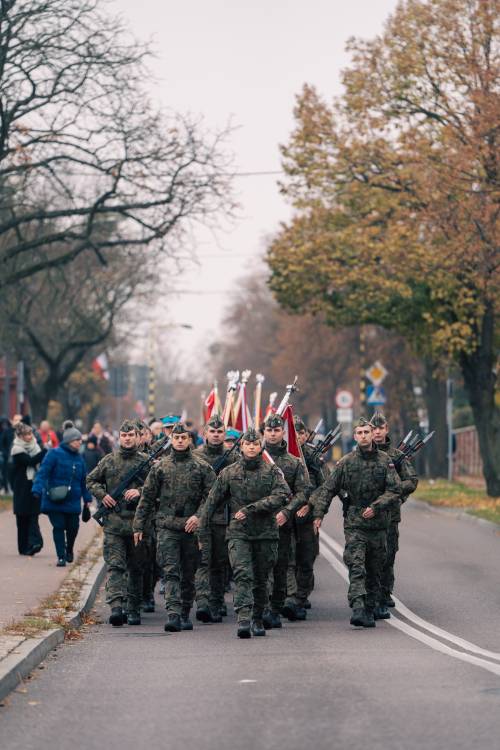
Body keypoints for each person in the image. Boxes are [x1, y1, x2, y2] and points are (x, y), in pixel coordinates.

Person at [199, 427, 290, 638]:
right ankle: (243, 618)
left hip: (265, 533)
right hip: (238, 534)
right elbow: (211, 503)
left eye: (255, 444)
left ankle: (258, 617)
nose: (251, 447)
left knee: (261, 578)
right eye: (248, 444)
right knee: (242, 575)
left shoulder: (271, 472)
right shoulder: (229, 473)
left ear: (261, 447)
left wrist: (252, 508)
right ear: (242, 447)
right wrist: (201, 531)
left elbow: (283, 494)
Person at [311, 418, 401, 628]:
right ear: (354, 437)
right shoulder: (346, 462)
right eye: (359, 432)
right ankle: (358, 606)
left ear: (372, 435)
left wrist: (377, 506)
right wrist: (319, 514)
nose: (363, 436)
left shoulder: (385, 461)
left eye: (366, 432)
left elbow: (395, 489)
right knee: (356, 563)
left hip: (379, 524)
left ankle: (369, 608)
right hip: (355, 523)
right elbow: (328, 489)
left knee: (375, 568)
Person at [133, 422, 215, 633]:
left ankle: (186, 611)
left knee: (189, 572)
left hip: (191, 527)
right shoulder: (160, 467)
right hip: (167, 526)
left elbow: (212, 497)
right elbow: (147, 498)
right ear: (171, 440)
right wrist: (138, 525)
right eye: (176, 438)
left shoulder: (202, 467)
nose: (179, 441)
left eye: (183, 438)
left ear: (189, 440)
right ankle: (173, 614)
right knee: (171, 571)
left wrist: (199, 516)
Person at [86, 420, 150, 627]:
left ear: (137, 436)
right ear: (119, 438)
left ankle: (133, 608)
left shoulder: (146, 462)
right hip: (113, 524)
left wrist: (139, 492)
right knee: (115, 566)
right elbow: (91, 481)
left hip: (137, 525)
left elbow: (158, 489)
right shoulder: (109, 460)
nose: (128, 438)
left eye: (131, 435)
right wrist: (103, 496)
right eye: (124, 436)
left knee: (136, 568)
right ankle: (116, 607)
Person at [262, 414, 308, 629]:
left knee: (283, 566)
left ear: (283, 432)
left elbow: (302, 492)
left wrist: (287, 512)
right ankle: (262, 608)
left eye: (276, 430)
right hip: (258, 524)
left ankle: (279, 606)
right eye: (269, 430)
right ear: (264, 432)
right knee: (261, 568)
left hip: (283, 524)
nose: (272, 434)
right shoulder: (254, 459)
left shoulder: (294, 462)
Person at [370, 412, 418, 614]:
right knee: (367, 557)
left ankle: (384, 594)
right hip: (366, 514)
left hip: (389, 515)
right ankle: (369, 595)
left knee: (387, 555)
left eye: (381, 428)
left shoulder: (396, 456)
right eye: (374, 429)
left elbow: (411, 480)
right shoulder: (361, 454)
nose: (377, 432)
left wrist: (394, 491)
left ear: (386, 429)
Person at [283, 416, 329, 620]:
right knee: (287, 559)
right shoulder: (282, 457)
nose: (299, 437)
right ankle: (290, 598)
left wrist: (310, 504)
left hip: (307, 517)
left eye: (301, 433)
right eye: (295, 433)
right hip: (285, 516)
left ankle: (301, 597)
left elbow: (325, 487)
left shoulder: (314, 457)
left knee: (306, 558)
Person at [193, 414, 237, 621]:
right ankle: (203, 602)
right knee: (203, 561)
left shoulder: (233, 458)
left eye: (220, 432)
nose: (216, 435)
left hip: (223, 517)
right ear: (205, 434)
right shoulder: (195, 457)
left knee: (220, 563)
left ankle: (217, 602)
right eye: (213, 431)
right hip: (200, 517)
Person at [32, 420, 92, 567]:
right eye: (77, 440)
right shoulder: (54, 454)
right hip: (54, 498)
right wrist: (37, 489)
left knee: (73, 528)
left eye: (80, 440)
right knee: (58, 527)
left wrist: (87, 498)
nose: (80, 442)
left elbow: (84, 480)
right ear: (69, 440)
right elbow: (43, 472)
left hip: (73, 500)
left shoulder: (79, 458)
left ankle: (69, 549)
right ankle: (61, 556)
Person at [10, 422, 45, 555]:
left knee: (33, 515)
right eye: (27, 434)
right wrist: (44, 452)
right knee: (22, 518)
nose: (30, 436)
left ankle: (35, 543)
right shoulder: (17, 450)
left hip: (33, 485)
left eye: (31, 433)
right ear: (20, 436)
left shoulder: (35, 446)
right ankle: (23, 547)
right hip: (21, 487)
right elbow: (29, 461)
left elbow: (39, 461)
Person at [0, 416, 14, 493]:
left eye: (5, 424)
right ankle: (4, 487)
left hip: (8, 454)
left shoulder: (9, 431)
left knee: (7, 472)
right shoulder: (5, 432)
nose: (4, 425)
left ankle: (8, 487)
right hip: (4, 454)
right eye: (3, 424)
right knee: (4, 472)